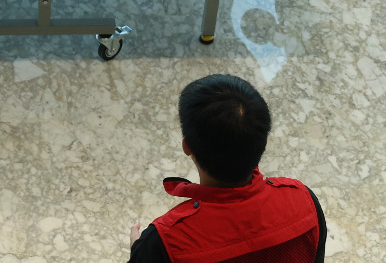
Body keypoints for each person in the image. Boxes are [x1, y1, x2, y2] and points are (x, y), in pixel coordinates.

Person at [127, 75, 327, 263]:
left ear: (187, 146)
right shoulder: (304, 201)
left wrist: (141, 251)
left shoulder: (165, 241)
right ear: (263, 142)